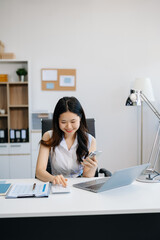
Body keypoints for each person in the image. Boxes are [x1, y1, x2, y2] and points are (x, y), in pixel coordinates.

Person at [36, 96, 97, 187]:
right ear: (57, 121)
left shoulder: (90, 140)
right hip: (57, 185)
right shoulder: (48, 136)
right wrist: (53, 178)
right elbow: (39, 171)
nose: (69, 127)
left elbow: (86, 177)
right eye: (63, 122)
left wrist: (93, 169)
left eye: (73, 122)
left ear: (80, 118)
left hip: (79, 187)